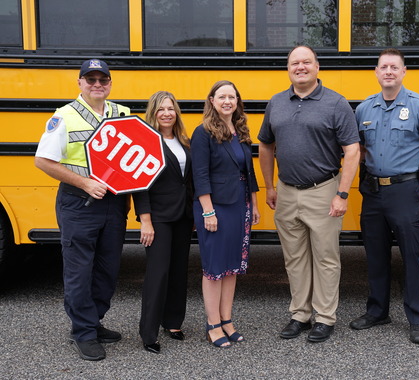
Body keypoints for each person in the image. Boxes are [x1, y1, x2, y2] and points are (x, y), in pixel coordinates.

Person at [258, 45, 360, 343]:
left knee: (326, 258)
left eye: (306, 62)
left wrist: (342, 193)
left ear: (317, 67)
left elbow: (352, 151)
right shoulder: (276, 103)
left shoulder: (335, 103)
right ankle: (300, 314)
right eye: (294, 63)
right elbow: (265, 145)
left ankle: (325, 318)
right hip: (287, 191)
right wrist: (269, 185)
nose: (300, 67)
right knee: (294, 258)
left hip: (324, 189)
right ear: (288, 69)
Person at [34, 59, 130, 360]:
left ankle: (94, 321)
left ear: (110, 83)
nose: (97, 84)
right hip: (78, 202)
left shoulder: (123, 114)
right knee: (79, 270)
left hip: (114, 203)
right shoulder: (64, 117)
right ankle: (83, 332)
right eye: (91, 80)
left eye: (103, 80)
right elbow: (43, 161)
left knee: (107, 269)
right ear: (80, 83)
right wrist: (85, 183)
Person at [350, 48, 419, 344]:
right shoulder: (364, 109)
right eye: (383, 67)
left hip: (407, 190)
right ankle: (378, 311)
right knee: (375, 255)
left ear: (404, 72)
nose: (388, 71)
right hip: (374, 191)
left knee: (412, 257)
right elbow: (360, 151)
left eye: (394, 67)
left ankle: (418, 319)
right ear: (376, 73)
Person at [191, 80, 260, 348]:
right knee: (214, 269)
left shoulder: (240, 130)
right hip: (215, 208)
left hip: (239, 206)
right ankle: (212, 324)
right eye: (222, 97)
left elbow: (249, 172)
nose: (227, 101)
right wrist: (208, 211)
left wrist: (253, 204)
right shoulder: (203, 133)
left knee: (231, 268)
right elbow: (200, 175)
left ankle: (227, 320)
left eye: (232, 96)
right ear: (211, 101)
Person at [132, 91, 194, 354]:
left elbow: (188, 180)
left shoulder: (184, 141)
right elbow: (138, 183)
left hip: (183, 216)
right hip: (157, 217)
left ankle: (173, 322)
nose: (167, 113)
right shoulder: (146, 142)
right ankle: (148, 333)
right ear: (153, 113)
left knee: (179, 270)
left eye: (171, 109)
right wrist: (145, 220)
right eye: (161, 109)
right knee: (158, 274)